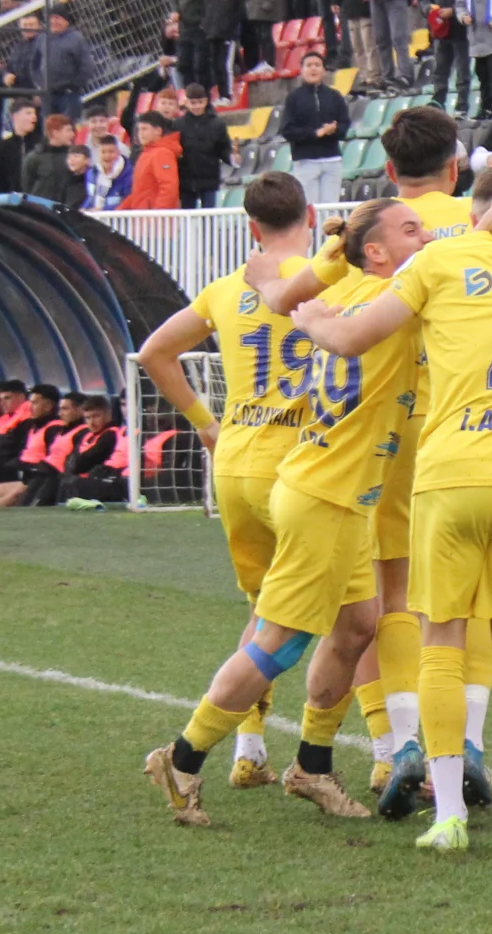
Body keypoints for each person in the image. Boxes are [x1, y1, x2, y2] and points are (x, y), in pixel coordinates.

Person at [280, 164, 492, 857]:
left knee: (441, 638)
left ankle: (447, 816)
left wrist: (315, 318)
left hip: (453, 472)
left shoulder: (443, 260)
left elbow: (354, 337)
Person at [143, 188, 438, 829]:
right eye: (412, 228)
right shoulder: (387, 302)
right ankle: (182, 756)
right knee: (278, 641)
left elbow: (297, 302)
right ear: (379, 251)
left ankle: (311, 765)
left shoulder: (360, 295)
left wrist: (298, 290)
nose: (428, 235)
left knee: (360, 624)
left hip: (334, 489)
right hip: (321, 496)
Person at [133, 171, 362, 803]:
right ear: (312, 215)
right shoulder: (330, 278)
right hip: (303, 468)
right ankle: (307, 758)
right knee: (344, 619)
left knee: (268, 612)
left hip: (235, 462)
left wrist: (205, 424)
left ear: (250, 226)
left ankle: (251, 749)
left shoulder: (228, 288)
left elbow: (155, 353)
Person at [277, 60, 351, 205]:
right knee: (309, 207)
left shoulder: (334, 95)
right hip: (306, 160)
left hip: (332, 159)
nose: (313, 69)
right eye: (308, 65)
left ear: (324, 70)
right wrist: (315, 133)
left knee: (331, 207)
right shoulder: (294, 98)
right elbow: (287, 130)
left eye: (317, 65)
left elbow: (344, 124)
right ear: (302, 70)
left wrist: (333, 130)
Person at [417, 0, 474, 107]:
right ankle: (438, 102)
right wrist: (429, 10)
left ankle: (462, 104)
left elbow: (473, 1)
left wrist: (453, 11)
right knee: (440, 70)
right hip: (440, 31)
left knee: (463, 70)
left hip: (462, 30)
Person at [175, 83, 233, 210]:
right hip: (185, 180)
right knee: (187, 218)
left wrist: (231, 157)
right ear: (186, 102)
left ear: (206, 101)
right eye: (193, 102)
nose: (197, 106)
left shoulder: (217, 124)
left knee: (209, 219)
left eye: (200, 102)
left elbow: (223, 148)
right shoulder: (178, 124)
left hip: (209, 179)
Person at [122, 109, 183, 210]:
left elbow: (169, 188)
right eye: (139, 129)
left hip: (156, 221)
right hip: (144, 217)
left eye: (144, 129)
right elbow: (138, 193)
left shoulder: (162, 153)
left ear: (158, 131)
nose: (140, 133)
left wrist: (157, 215)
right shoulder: (145, 154)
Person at [21, 111, 85, 207]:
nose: (72, 134)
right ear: (55, 133)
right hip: (41, 211)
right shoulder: (35, 157)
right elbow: (26, 186)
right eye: (68, 130)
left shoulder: (76, 156)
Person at [83, 131, 135, 210]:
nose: (107, 156)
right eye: (103, 152)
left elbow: (129, 201)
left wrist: (104, 209)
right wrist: (83, 210)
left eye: (111, 152)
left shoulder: (129, 174)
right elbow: (91, 198)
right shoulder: (92, 173)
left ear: (118, 153)